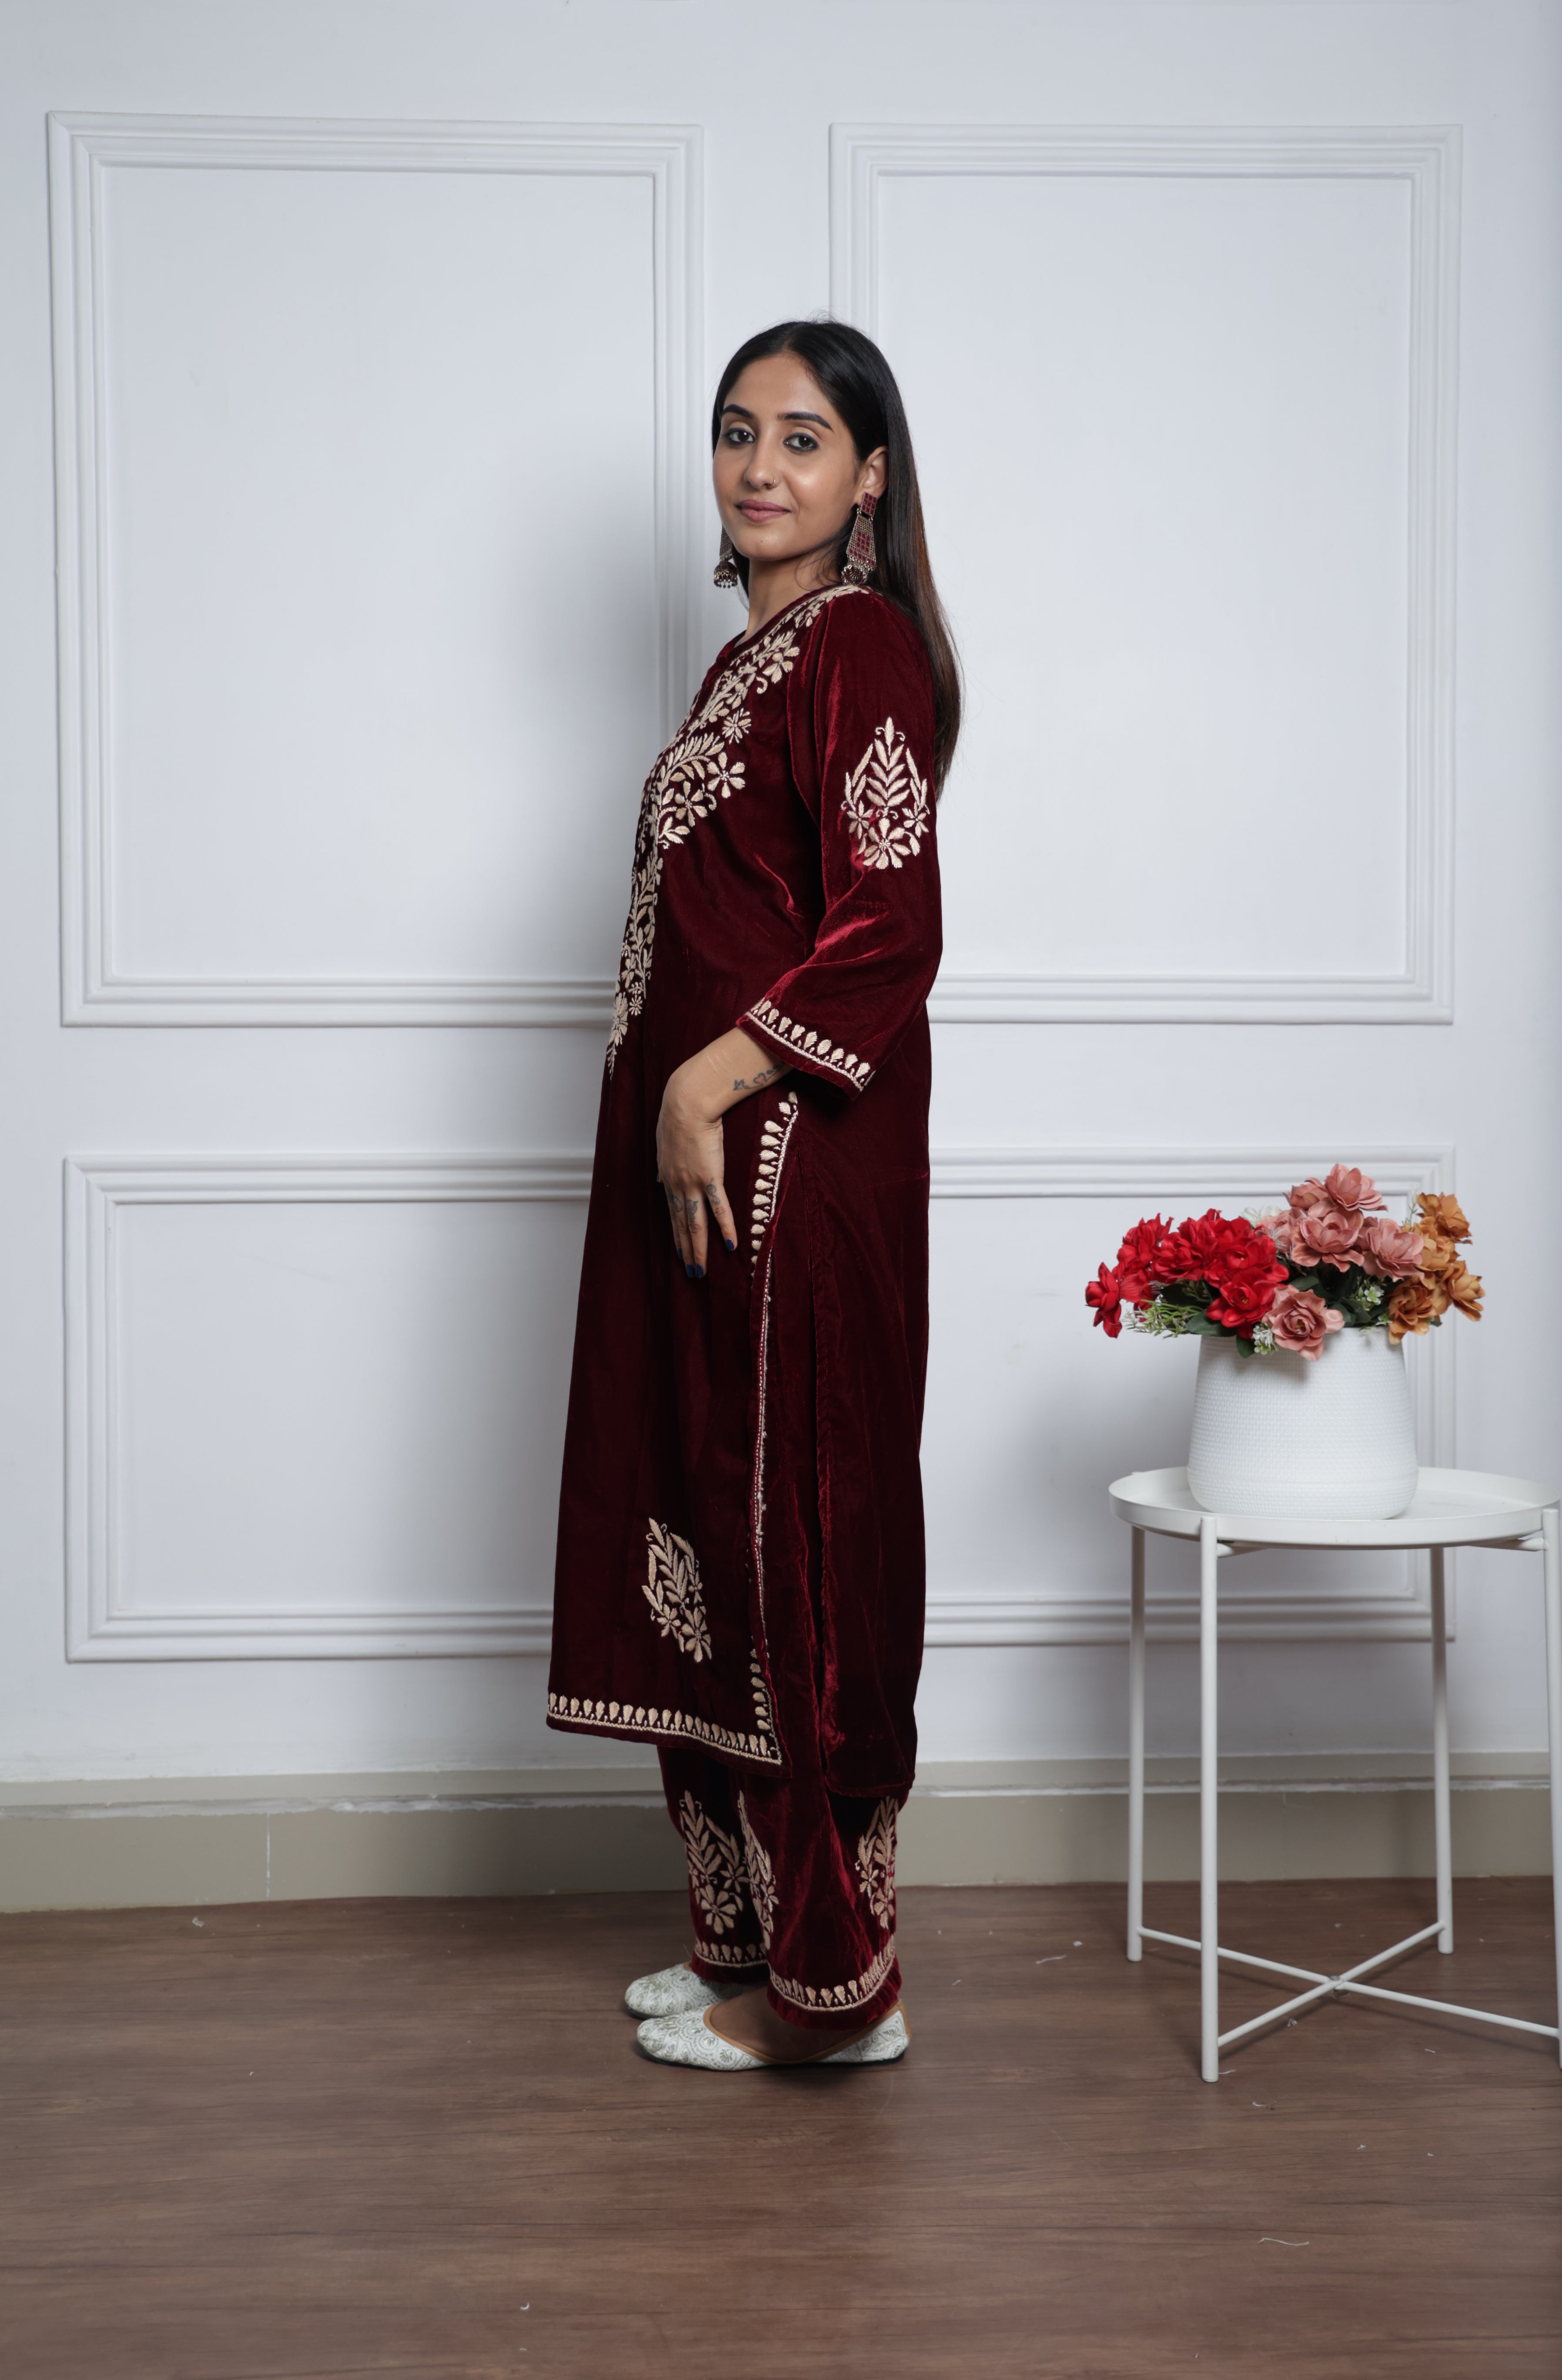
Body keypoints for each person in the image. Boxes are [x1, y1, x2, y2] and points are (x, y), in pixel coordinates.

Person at [546, 318, 959, 2069]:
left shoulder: (859, 644)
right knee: (705, 1534)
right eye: (737, 431)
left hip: (794, 1168)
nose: (760, 466)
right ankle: (743, 1940)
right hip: (705, 1179)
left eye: (802, 436)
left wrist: (709, 1080)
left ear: (870, 477)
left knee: (795, 1549)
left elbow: (892, 920)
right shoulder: (752, 661)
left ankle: (833, 1998)